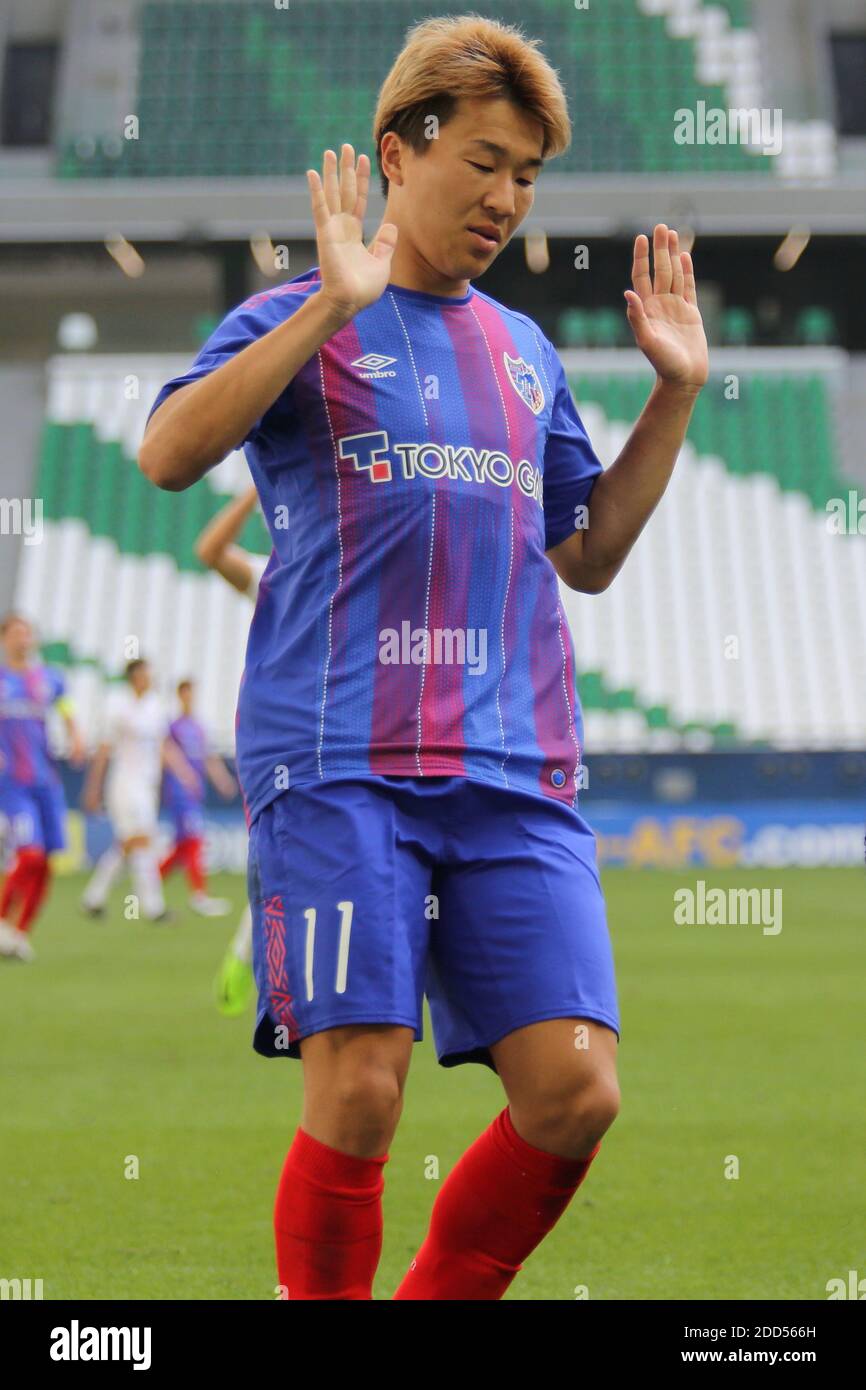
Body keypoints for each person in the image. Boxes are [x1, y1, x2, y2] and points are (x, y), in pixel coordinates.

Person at [139, 14, 708, 1300]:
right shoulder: (297, 315)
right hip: (338, 760)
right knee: (361, 1092)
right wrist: (331, 304)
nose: (507, 198)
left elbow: (590, 552)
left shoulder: (525, 352)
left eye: (528, 175)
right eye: (486, 163)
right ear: (400, 152)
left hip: (514, 767)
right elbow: (167, 456)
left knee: (574, 1090)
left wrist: (670, 393)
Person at [193, 486, 269, 1014]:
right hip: (287, 741)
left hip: (367, 734)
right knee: (275, 863)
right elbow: (210, 551)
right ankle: (248, 958)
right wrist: (253, 490)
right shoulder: (275, 575)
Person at [81, 658, 198, 922]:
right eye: (145, 673)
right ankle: (153, 907)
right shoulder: (117, 705)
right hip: (124, 784)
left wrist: (184, 772)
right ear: (134, 677)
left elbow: (164, 746)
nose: (149, 678)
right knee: (143, 841)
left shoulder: (154, 707)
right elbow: (103, 749)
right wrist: (93, 788)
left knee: (130, 844)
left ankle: (93, 897)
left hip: (146, 786)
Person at [0, 613, 85, 961]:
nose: (24, 639)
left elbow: (67, 710)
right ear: (5, 638)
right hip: (13, 785)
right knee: (29, 853)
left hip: (46, 782)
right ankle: (3, 922)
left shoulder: (48, 679)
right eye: (17, 633)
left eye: (28, 633)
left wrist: (76, 736)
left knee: (48, 861)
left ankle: (20, 935)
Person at [159, 677, 238, 917]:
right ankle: (199, 896)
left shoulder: (198, 727)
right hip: (180, 793)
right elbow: (165, 755)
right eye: (186, 693)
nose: (190, 697)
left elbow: (208, 758)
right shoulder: (173, 727)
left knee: (183, 846)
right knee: (193, 840)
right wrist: (184, 776)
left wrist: (222, 780)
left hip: (194, 793)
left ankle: (149, 886)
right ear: (180, 695)